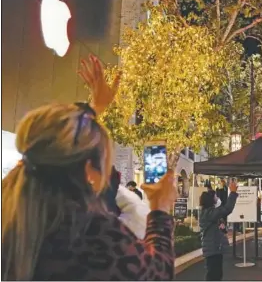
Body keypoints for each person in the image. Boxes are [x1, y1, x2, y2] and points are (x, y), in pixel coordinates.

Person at [1, 55, 178, 280]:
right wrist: (160, 208)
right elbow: (156, 274)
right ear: (88, 172)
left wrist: (94, 109)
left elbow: (58, 142)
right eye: (107, 168)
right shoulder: (89, 233)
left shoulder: (12, 214)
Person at [199, 180, 238, 281]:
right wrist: (233, 193)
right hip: (213, 249)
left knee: (216, 274)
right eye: (215, 197)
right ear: (211, 200)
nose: (217, 198)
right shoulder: (209, 213)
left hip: (215, 248)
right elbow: (227, 209)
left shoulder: (209, 212)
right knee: (213, 275)